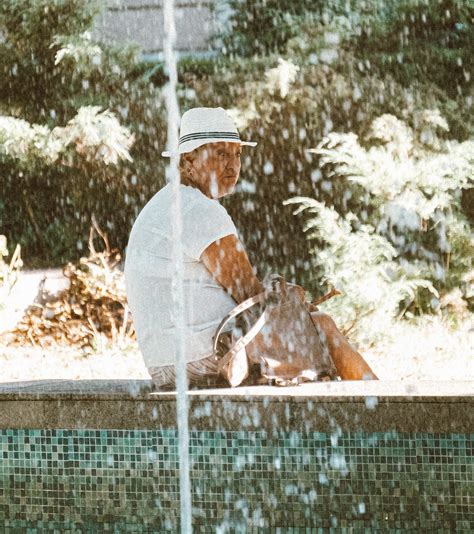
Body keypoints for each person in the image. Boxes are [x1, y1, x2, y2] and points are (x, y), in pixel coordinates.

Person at [124, 107, 377, 390]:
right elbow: (249, 294)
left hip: (167, 364)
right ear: (188, 160)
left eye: (237, 154)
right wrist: (292, 303)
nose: (232, 166)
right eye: (220, 154)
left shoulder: (169, 202)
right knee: (322, 328)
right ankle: (384, 410)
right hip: (199, 360)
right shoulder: (199, 210)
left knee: (305, 337)